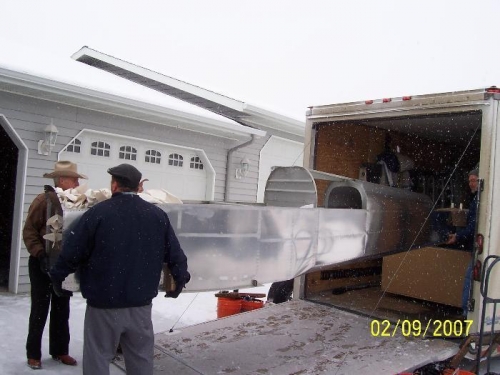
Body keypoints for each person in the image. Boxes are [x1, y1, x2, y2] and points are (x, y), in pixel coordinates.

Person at [50, 163, 190, 375]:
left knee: (97, 358)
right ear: (137, 187)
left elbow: (71, 251)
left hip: (103, 306)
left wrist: (58, 278)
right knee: (141, 360)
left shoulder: (97, 214)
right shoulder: (157, 216)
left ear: (114, 185)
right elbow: (175, 254)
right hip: (140, 306)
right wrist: (180, 279)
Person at [23, 161, 86, 369]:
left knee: (62, 309)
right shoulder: (44, 200)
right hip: (42, 262)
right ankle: (33, 354)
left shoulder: (75, 202)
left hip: (64, 265)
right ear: (61, 180)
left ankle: (60, 350)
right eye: (73, 178)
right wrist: (40, 253)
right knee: (40, 309)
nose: (77, 182)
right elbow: (30, 231)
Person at [446, 168, 479, 316]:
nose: (471, 184)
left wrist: (458, 236)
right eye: (470, 181)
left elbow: (473, 227)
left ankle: (467, 314)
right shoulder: (476, 199)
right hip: (474, 245)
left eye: (474, 180)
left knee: (469, 278)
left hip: (477, 247)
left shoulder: (478, 200)